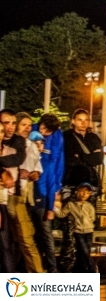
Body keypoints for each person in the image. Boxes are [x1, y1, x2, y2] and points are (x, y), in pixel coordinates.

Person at [61, 108, 102, 272]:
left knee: (87, 227)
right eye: (79, 119)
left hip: (90, 185)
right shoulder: (67, 137)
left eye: (86, 120)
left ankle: (83, 265)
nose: (83, 123)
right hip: (71, 185)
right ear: (73, 121)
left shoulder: (93, 137)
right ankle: (68, 264)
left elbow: (98, 159)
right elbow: (69, 159)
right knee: (70, 229)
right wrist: (87, 158)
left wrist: (82, 157)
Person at [9, 112, 44, 273]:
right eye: (23, 124)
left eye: (29, 125)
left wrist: (33, 174)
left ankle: (37, 275)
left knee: (26, 237)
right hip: (8, 194)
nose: (27, 128)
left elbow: (37, 170)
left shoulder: (31, 146)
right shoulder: (9, 144)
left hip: (21, 195)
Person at [32, 113, 63, 274]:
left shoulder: (55, 142)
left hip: (42, 196)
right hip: (29, 193)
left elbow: (55, 171)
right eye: (41, 128)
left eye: (46, 131)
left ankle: (52, 268)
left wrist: (51, 206)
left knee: (45, 233)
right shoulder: (33, 129)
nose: (42, 132)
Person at [0, 108, 24, 272]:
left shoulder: (12, 151)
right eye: (4, 125)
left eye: (1, 132)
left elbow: (12, 178)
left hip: (3, 202)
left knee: (5, 244)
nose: (3, 132)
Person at [56, 182, 98, 273]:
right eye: (82, 191)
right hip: (78, 232)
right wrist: (54, 207)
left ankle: (80, 269)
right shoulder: (71, 205)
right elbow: (62, 214)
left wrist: (88, 223)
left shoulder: (89, 206)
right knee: (84, 251)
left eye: (87, 193)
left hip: (89, 231)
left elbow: (92, 217)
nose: (84, 194)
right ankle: (92, 269)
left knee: (84, 251)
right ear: (77, 192)